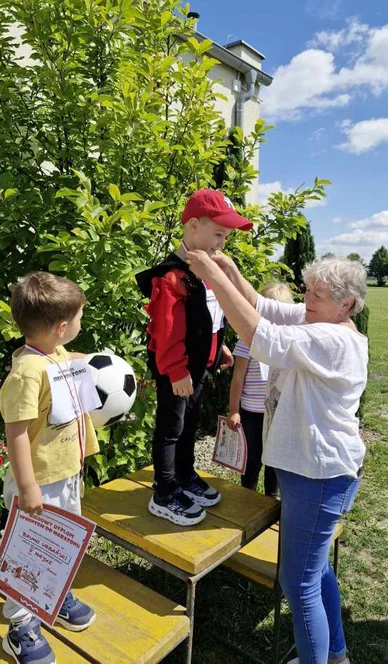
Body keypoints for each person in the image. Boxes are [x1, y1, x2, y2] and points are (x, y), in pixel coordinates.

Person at [184, 251, 367, 664]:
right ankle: (335, 653)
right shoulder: (319, 319)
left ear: (347, 304)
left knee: (298, 582)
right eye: (307, 291)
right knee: (315, 571)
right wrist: (232, 272)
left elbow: (263, 336)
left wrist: (213, 276)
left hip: (318, 476)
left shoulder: (334, 339)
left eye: (318, 295)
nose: (307, 301)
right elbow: (264, 308)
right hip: (312, 471)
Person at [135, 189, 253, 526]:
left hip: (198, 367)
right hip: (177, 370)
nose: (221, 243)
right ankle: (165, 491)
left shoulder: (207, 270)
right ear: (192, 226)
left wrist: (219, 350)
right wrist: (174, 370)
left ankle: (184, 476)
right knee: (171, 428)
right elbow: (167, 329)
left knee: (189, 425)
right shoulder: (171, 276)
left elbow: (209, 318)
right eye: (218, 234)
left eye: (226, 237)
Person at [0, 272, 100, 664]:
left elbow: (69, 362)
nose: (80, 325)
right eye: (78, 320)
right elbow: (17, 433)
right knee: (26, 553)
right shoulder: (26, 373)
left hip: (65, 475)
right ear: (61, 328)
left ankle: (52, 596)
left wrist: (95, 362)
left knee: (61, 544)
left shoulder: (53, 354)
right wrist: (27, 489)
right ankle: (21, 625)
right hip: (38, 484)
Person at [228, 282, 293, 497]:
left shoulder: (288, 343)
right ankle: (248, 495)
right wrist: (234, 410)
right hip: (251, 413)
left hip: (277, 414)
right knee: (252, 458)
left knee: (274, 459)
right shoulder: (248, 340)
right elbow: (238, 377)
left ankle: (270, 499)